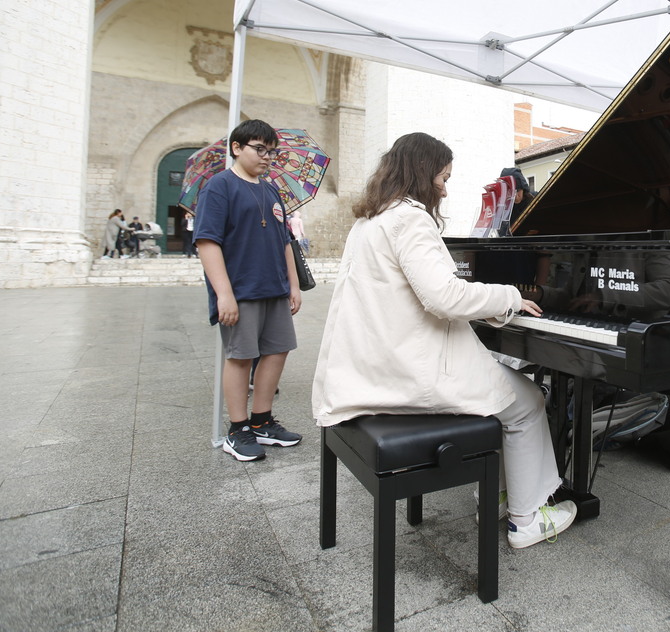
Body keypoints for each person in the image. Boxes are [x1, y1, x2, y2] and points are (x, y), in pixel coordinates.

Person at [312, 132, 577, 549]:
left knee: (507, 393)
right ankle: (526, 520)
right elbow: (445, 297)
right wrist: (509, 296)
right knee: (528, 402)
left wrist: (487, 304)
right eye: (443, 177)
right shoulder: (410, 219)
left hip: (373, 364)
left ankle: (500, 498)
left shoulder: (371, 220)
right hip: (409, 373)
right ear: (423, 173)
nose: (445, 188)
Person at [195, 119, 304, 462]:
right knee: (241, 357)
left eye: (271, 151)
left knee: (278, 350)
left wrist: (294, 284)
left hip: (274, 287)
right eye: (260, 149)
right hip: (241, 289)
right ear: (237, 148)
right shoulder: (220, 187)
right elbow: (207, 242)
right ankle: (238, 429)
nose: (267, 157)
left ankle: (262, 421)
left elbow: (285, 241)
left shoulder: (271, 191)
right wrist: (224, 293)